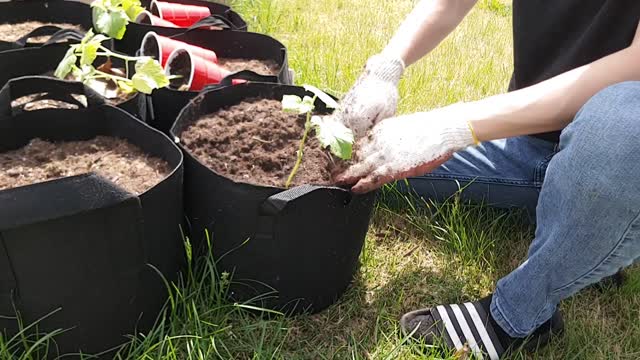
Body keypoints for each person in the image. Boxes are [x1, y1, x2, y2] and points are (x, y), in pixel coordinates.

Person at [327, 0, 640, 358]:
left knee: (623, 134)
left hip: (622, 152)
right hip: (529, 141)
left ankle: (517, 315)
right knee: (378, 160)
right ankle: (581, 220)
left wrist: (457, 126)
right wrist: (387, 66)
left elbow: (636, 66)